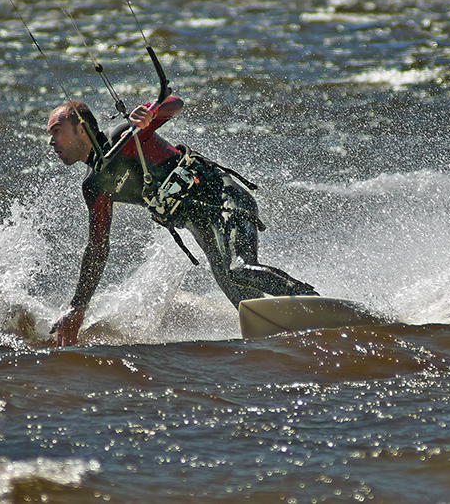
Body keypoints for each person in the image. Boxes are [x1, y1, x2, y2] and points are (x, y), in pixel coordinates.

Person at [46, 96, 316, 345]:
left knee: (238, 268)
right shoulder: (95, 186)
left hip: (224, 198)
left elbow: (174, 103)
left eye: (57, 131)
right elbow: (97, 248)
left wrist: (151, 113)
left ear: (81, 127)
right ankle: (288, 342)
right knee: (244, 299)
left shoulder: (124, 138)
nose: (51, 141)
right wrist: (78, 307)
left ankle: (313, 304)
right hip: (203, 227)